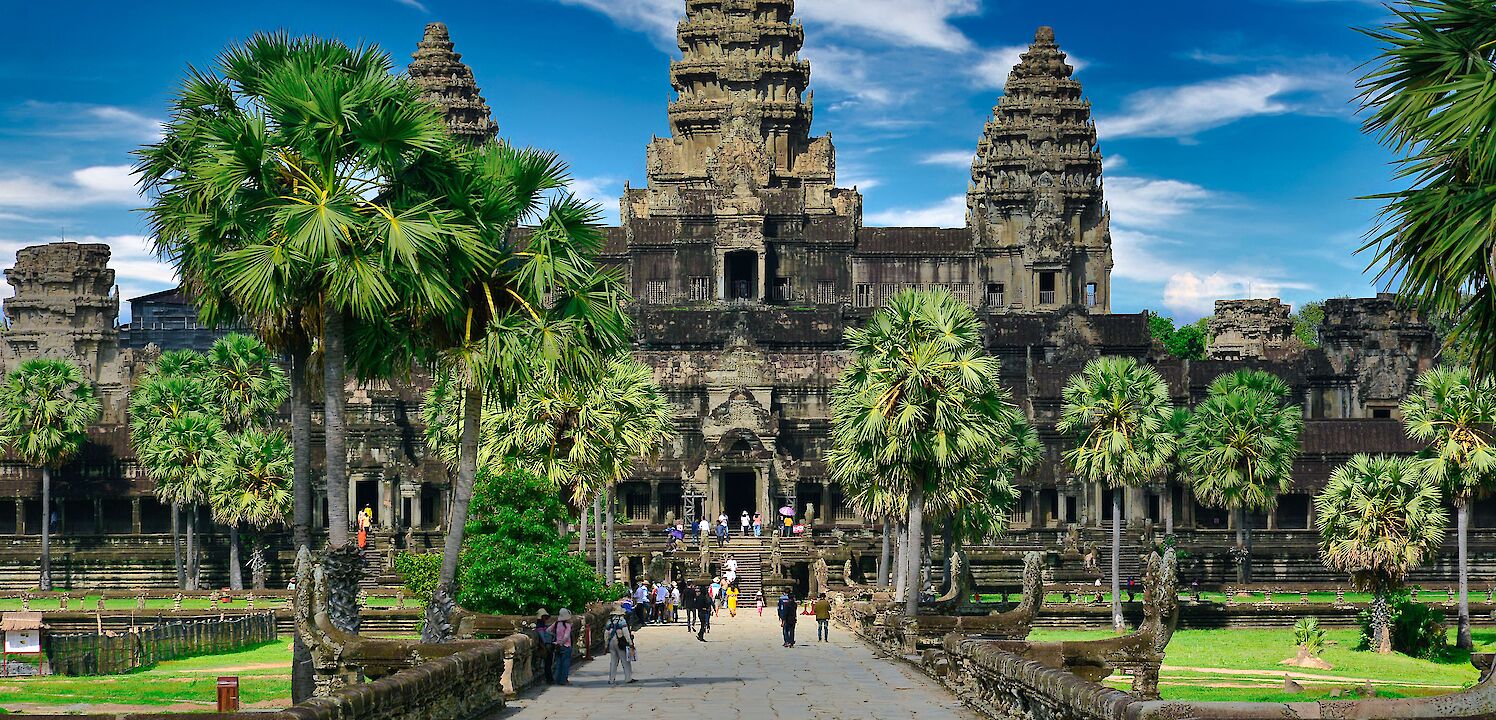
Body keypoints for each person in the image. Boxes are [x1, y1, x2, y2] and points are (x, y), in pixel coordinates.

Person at [606, 606, 636, 685]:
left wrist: (606, 644)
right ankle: (628, 678)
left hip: (611, 642)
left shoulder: (609, 621)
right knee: (625, 661)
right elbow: (626, 633)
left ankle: (611, 679)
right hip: (620, 642)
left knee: (613, 662)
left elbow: (606, 633)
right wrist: (630, 643)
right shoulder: (622, 621)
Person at [553, 608, 575, 684]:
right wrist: (561, 643)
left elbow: (548, 630)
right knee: (565, 664)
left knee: (558, 663)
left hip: (557, 645)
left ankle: (557, 679)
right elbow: (566, 636)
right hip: (566, 646)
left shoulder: (556, 624)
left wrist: (557, 641)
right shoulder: (567, 625)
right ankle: (563, 680)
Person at [535, 609, 556, 683]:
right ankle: (549, 679)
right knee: (547, 664)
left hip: (548, 645)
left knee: (549, 664)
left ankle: (549, 678)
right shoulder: (540, 626)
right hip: (546, 646)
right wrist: (547, 644)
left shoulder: (543, 625)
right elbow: (543, 637)